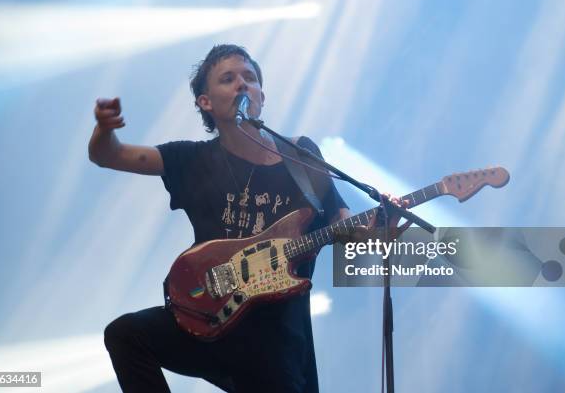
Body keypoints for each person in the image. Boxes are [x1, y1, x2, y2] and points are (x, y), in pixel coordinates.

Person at [89, 44, 406, 393]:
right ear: (205, 102)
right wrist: (104, 129)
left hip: (273, 340)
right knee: (125, 334)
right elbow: (111, 155)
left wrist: (381, 229)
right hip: (208, 316)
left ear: (261, 96)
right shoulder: (191, 160)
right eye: (228, 79)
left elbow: (345, 225)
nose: (242, 84)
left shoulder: (299, 156)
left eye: (250, 78)